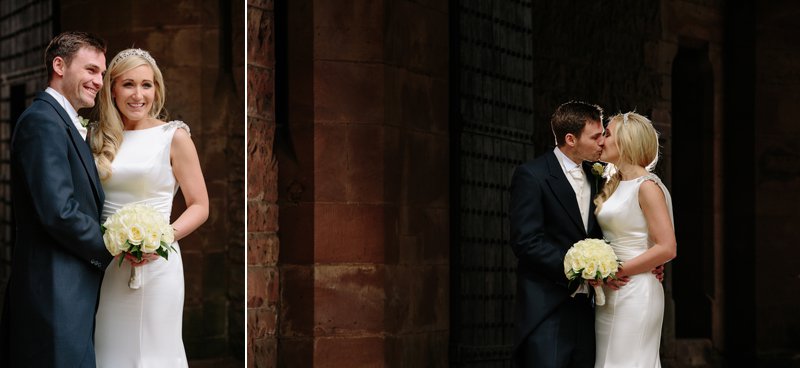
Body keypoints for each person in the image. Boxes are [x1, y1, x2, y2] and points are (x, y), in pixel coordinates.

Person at [0, 31, 113, 367]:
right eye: (91, 70)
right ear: (59, 65)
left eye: (102, 74)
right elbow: (58, 212)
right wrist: (114, 244)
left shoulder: (60, 121)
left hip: (68, 292)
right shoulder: (42, 122)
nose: (99, 82)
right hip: (52, 294)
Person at [90, 48, 209, 367]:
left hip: (158, 265)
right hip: (110, 264)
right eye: (128, 84)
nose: (138, 94)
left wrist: (161, 240)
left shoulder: (174, 136)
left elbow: (200, 205)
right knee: (109, 348)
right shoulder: (98, 137)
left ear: (156, 88)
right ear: (112, 88)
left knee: (156, 352)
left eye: (147, 84)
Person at [509, 101, 609, 367]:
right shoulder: (533, 176)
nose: (603, 142)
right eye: (595, 136)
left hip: (589, 311)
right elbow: (526, 242)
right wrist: (578, 269)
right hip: (548, 308)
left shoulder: (599, 176)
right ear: (570, 139)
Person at [593, 112, 676, 367]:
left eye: (607, 134)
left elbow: (667, 247)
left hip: (636, 291)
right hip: (610, 290)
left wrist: (616, 271)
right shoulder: (613, 184)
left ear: (626, 141)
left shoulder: (647, 187)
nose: (601, 140)